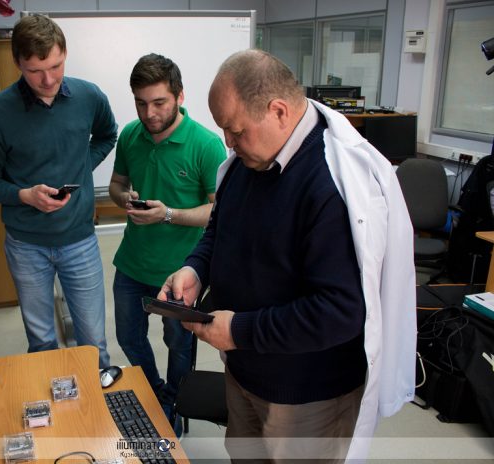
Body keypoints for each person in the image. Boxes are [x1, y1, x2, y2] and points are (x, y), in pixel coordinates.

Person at [159, 49, 416, 462]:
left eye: (236, 130)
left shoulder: (330, 185)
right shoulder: (249, 160)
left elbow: (338, 312)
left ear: (278, 111)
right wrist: (196, 269)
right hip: (246, 373)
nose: (228, 142)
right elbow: (219, 228)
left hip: (307, 396)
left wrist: (240, 331)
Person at [0, 14, 117, 368]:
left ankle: (96, 415)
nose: (48, 79)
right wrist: (25, 195)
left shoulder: (88, 96)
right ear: (18, 62)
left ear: (65, 53)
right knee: (42, 345)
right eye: (35, 71)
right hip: (26, 247)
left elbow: (107, 135)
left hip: (80, 239)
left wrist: (83, 165)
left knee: (94, 344)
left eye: (55, 66)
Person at [108, 53, 226, 426]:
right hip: (131, 263)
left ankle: (173, 404)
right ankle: (156, 394)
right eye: (141, 103)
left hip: (180, 272)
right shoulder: (130, 135)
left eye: (159, 102)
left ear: (179, 96)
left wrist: (169, 214)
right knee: (128, 338)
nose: (149, 113)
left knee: (179, 344)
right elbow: (116, 185)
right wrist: (123, 198)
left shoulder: (206, 145)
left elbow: (218, 212)